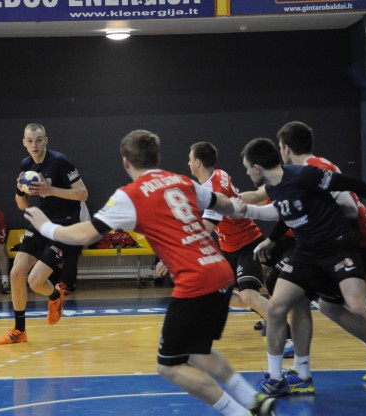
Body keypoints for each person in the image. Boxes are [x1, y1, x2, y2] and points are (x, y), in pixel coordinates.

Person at [23, 129, 276, 416]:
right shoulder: (181, 181)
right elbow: (225, 203)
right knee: (196, 351)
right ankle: (253, 400)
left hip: (195, 280)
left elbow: (85, 234)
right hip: (219, 270)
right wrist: (247, 204)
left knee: (169, 366)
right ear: (157, 157)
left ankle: (240, 413)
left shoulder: (129, 196)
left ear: (126, 162)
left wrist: (46, 227)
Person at [240, 137, 366, 401]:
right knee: (276, 307)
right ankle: (276, 379)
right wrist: (271, 238)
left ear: (257, 167)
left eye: (247, 168)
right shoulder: (274, 187)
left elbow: (353, 184)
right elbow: (289, 212)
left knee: (359, 305)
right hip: (307, 253)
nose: (247, 173)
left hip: (338, 247)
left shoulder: (306, 174)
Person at [187, 141, 294, 358]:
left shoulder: (214, 188)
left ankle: (288, 336)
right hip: (228, 246)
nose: (188, 164)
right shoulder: (219, 175)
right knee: (220, 294)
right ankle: (267, 314)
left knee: (248, 295)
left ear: (197, 162)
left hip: (246, 243)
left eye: (190, 159)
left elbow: (206, 228)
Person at [0, 123, 88, 345]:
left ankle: (55, 295)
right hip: (41, 221)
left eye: (38, 140)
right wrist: (20, 191)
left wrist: (50, 190)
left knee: (36, 282)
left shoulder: (60, 162)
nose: (34, 145)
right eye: (30, 141)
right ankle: (19, 331)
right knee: (16, 273)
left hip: (63, 226)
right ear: (24, 143)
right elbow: (22, 205)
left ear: (45, 141)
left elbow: (83, 193)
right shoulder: (26, 165)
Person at [57, 201, 90, 295]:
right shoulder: (49, 200)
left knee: (72, 249)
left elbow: (86, 222)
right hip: (55, 235)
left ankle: (66, 284)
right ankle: (52, 280)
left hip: (74, 235)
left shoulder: (79, 201)